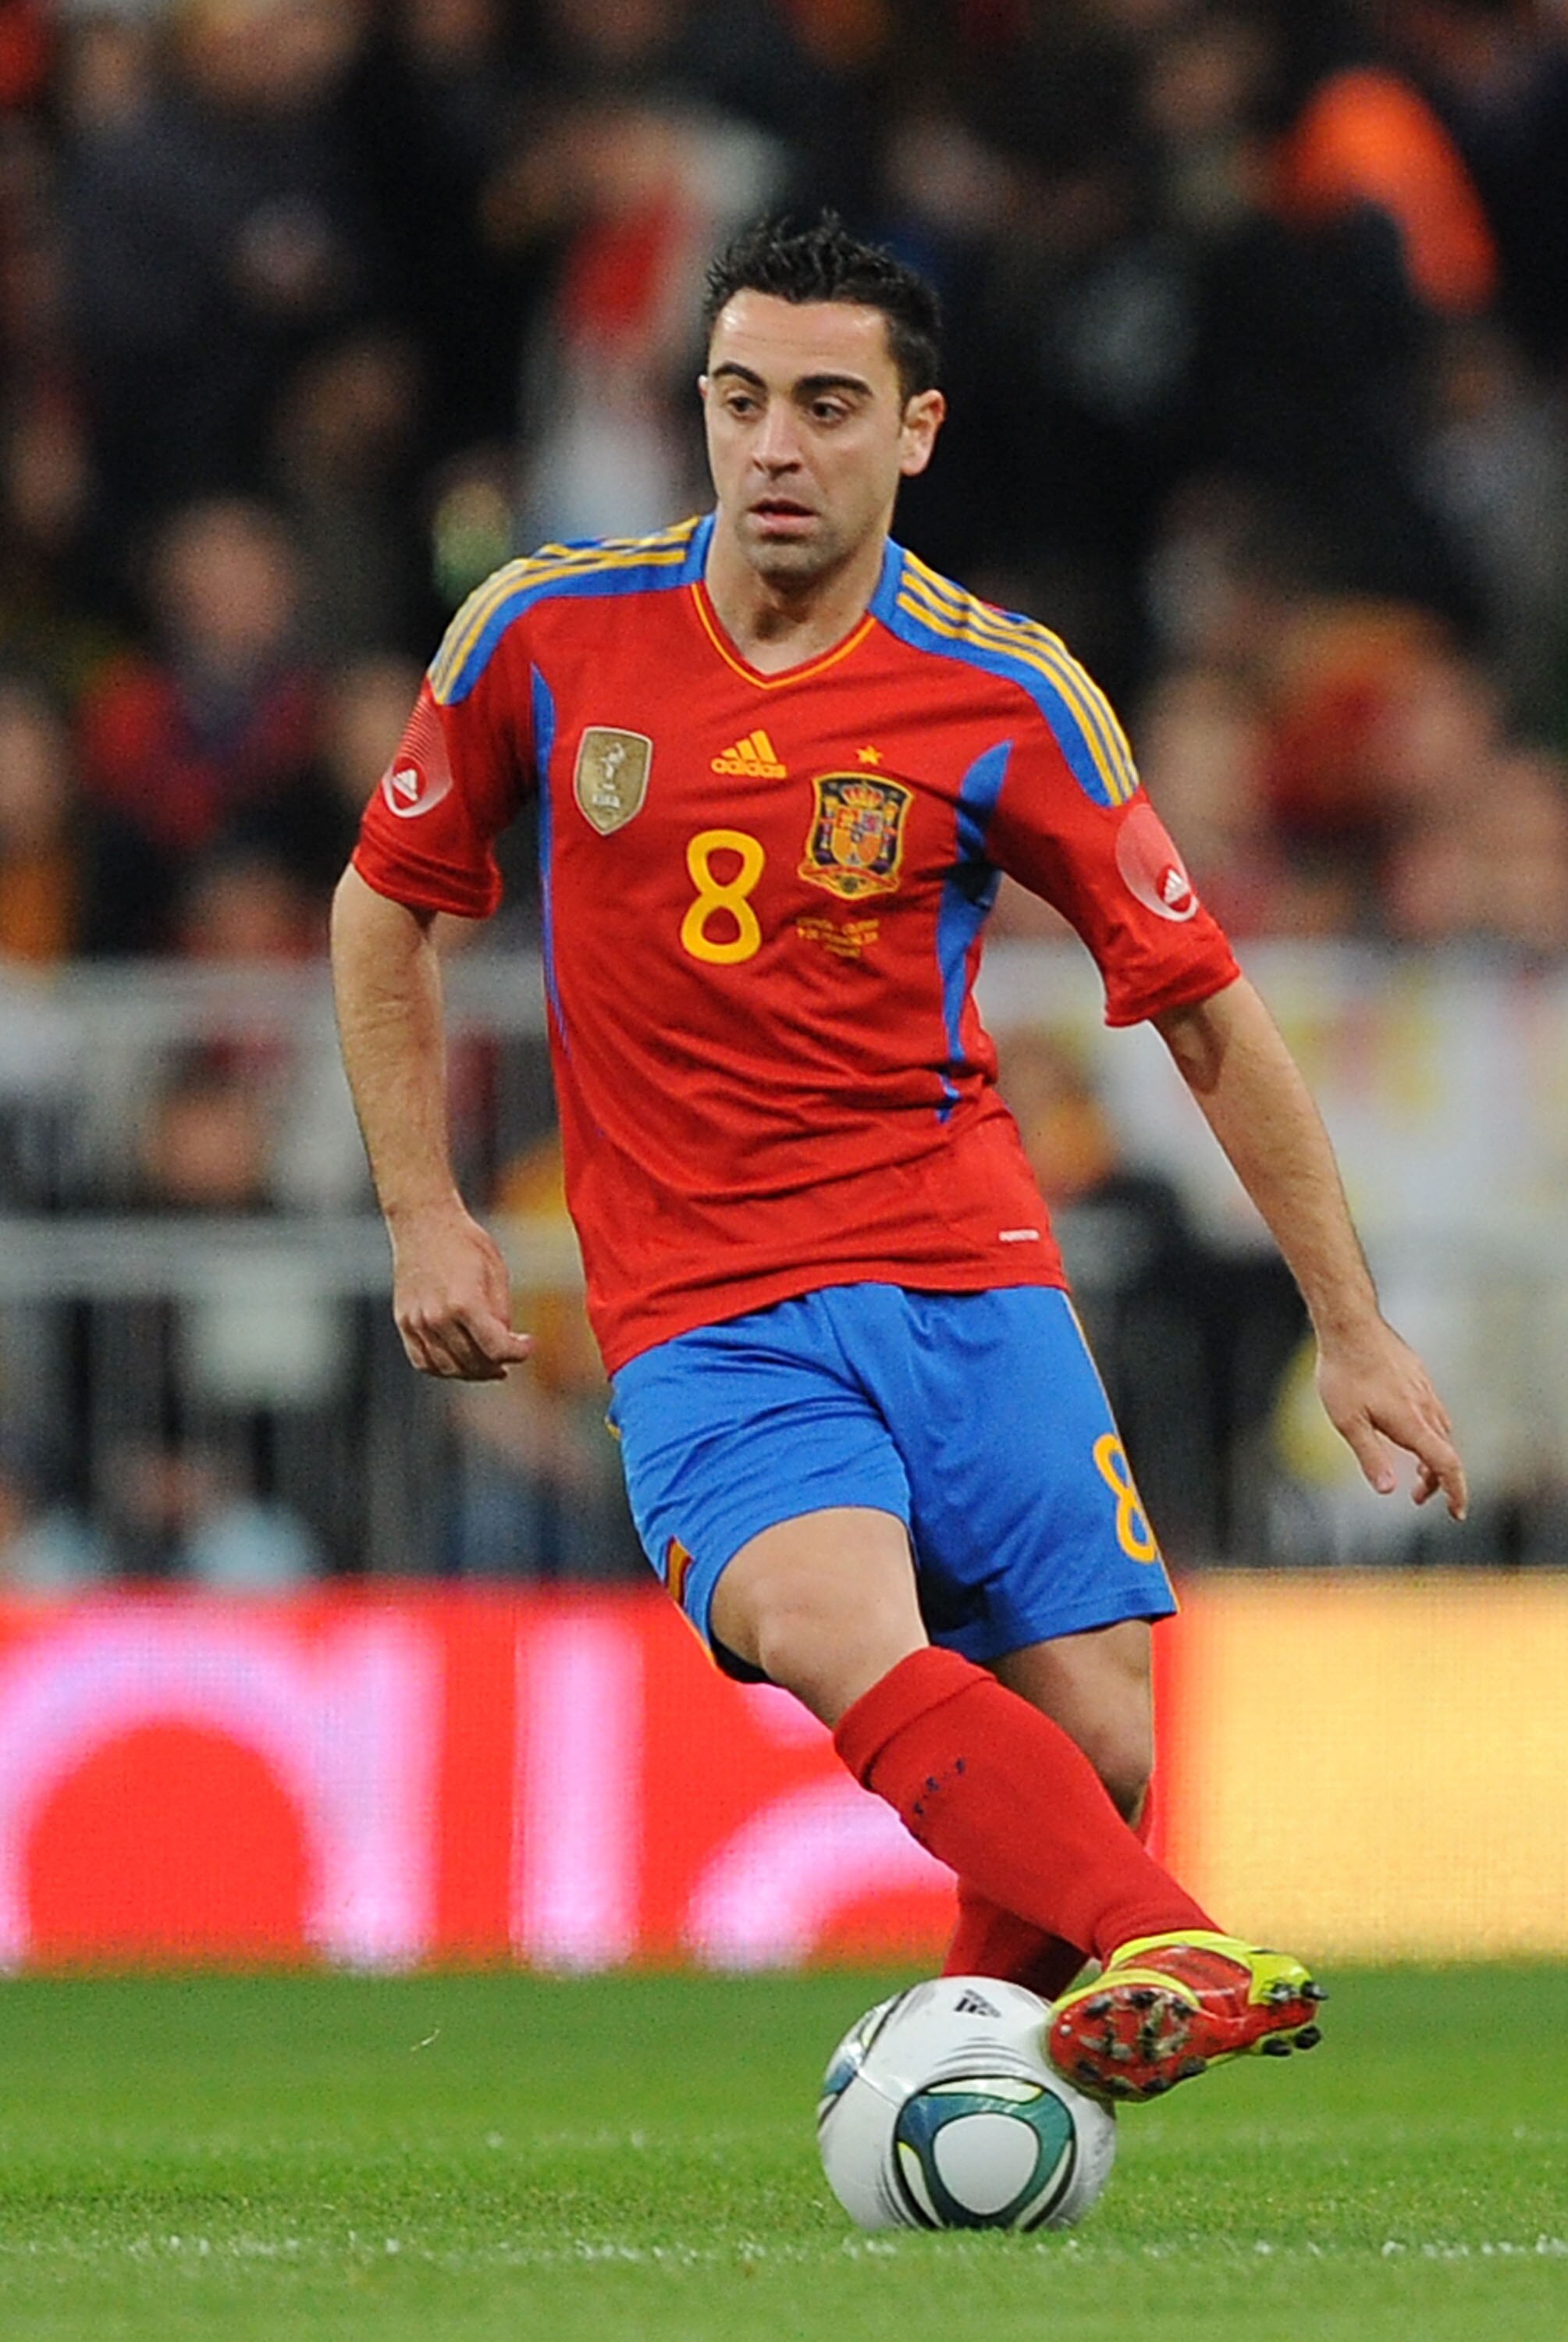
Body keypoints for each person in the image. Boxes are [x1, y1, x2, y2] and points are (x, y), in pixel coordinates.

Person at [330, 215, 1467, 2103]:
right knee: (832, 1622)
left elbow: (1201, 1004)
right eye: (740, 400)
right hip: (702, 1300)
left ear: (915, 434)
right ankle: (1168, 1939)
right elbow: (386, 911)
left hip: (963, 1263)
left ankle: (979, 2066)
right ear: (698, 413)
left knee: (1096, 1739)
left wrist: (1351, 1325)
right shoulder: (543, 630)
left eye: (828, 406)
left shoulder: (1002, 688)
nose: (776, 446)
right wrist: (424, 1212)